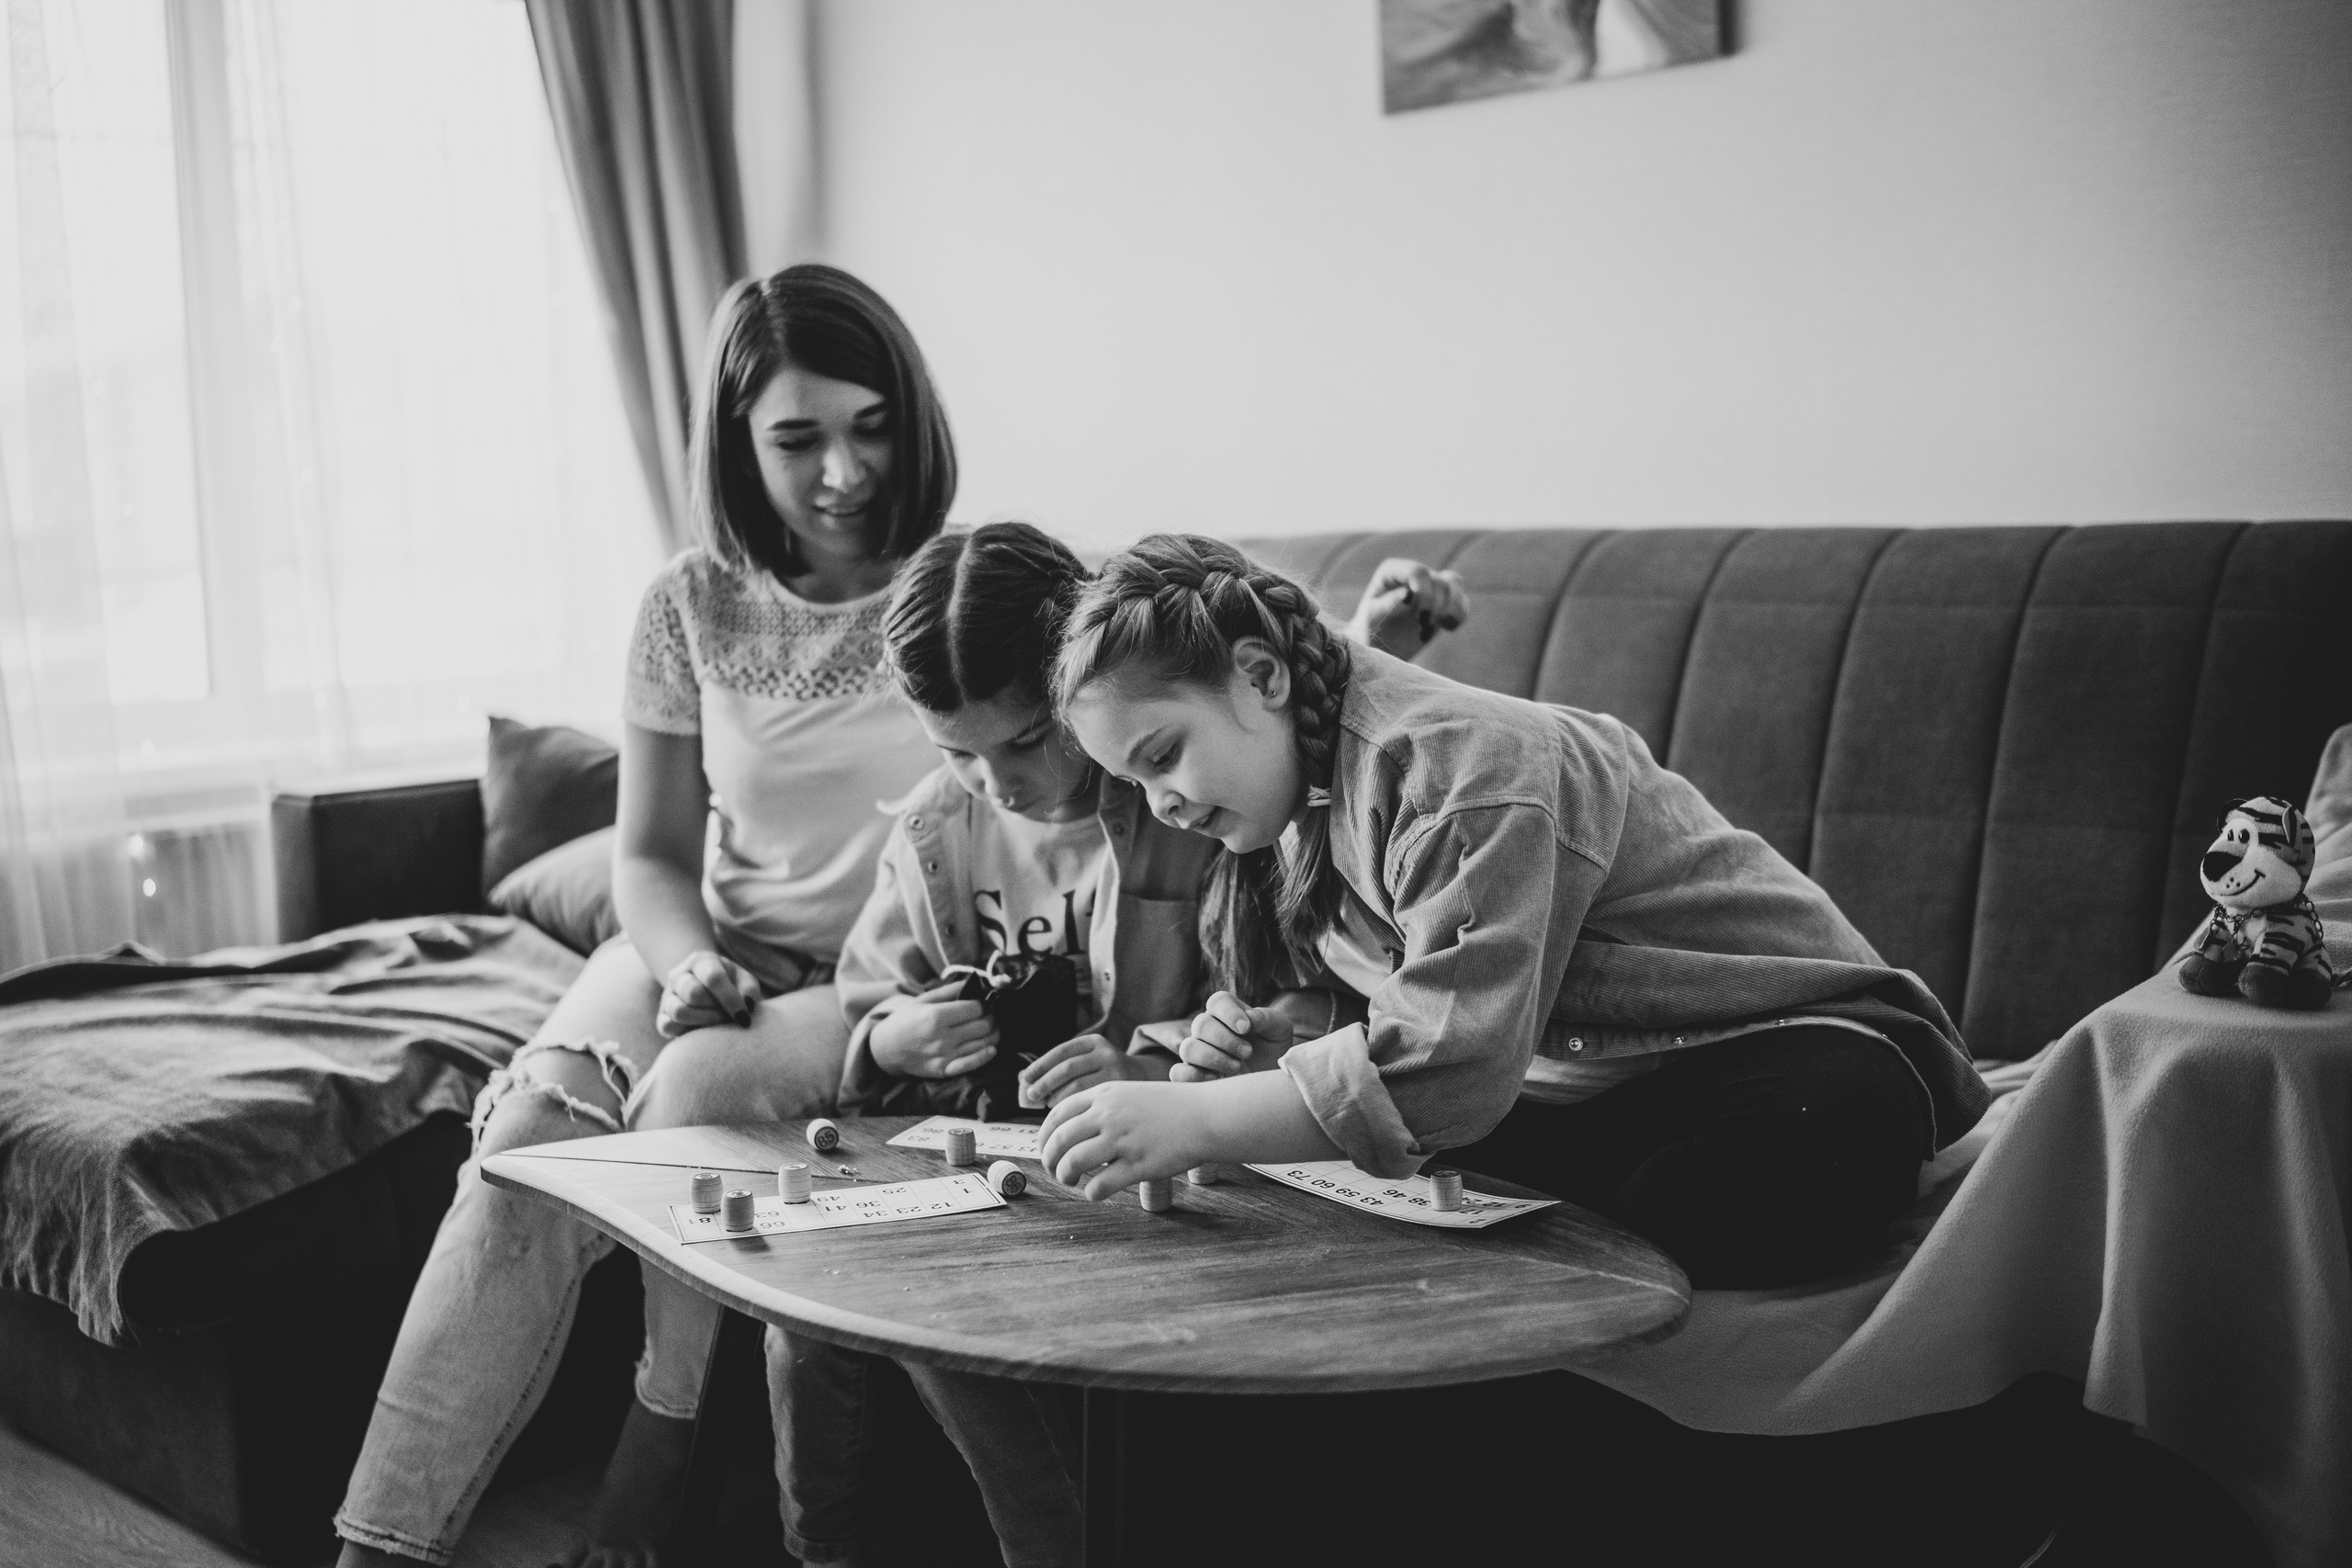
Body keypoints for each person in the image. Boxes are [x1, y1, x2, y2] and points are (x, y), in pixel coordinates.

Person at [334, 263, 956, 1568]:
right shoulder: (689, 602)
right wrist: (683, 964)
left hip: (868, 974)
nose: (842, 470)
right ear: (737, 443)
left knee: (688, 1105)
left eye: (870, 425)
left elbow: (1148, 720)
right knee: (522, 1138)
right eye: (797, 438)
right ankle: (382, 1545)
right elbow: (656, 852)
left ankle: (659, 1437)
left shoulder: (966, 587)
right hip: (709, 941)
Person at [773, 522, 1469, 1568]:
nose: (995, 783)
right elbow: (869, 1001)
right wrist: (897, 1036)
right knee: (801, 1309)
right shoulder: (933, 831)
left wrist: (1153, 1061)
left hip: (1132, 1176)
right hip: (974, 1159)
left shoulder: (1186, 803)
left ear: (1080, 691)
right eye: (954, 754)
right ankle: (820, 1552)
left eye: (1020, 742)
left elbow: (1294, 999)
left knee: (956, 1330)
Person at [1040, 533, 1992, 1292]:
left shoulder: (1465, 772)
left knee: (1698, 1211)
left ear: (1261, 675)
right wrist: (1289, 1046)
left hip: (1794, 1047)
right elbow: (1432, 1000)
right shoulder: (1292, 801)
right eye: (1134, 779)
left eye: (1163, 756)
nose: (1161, 805)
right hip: (1592, 1080)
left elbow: (1447, 1060)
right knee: (1421, 1186)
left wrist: (1205, 1118)